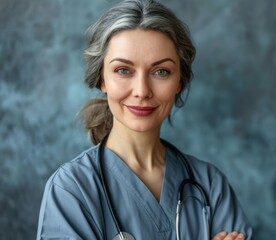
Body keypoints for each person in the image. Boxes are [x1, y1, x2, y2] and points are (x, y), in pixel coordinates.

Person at [36, 0, 252, 239]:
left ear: (179, 82)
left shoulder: (211, 186)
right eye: (123, 70)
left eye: (161, 72)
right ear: (101, 79)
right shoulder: (72, 189)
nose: (142, 91)